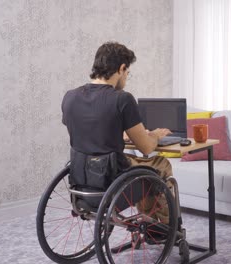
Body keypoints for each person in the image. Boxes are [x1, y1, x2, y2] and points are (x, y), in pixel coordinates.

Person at [61, 41, 173, 224]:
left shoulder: (70, 97)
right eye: (128, 73)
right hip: (112, 180)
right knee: (160, 164)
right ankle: (161, 228)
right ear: (121, 68)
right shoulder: (123, 99)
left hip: (82, 178)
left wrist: (120, 133)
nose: (127, 78)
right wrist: (155, 135)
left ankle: (152, 223)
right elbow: (146, 148)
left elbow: (86, 132)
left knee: (141, 167)